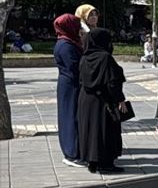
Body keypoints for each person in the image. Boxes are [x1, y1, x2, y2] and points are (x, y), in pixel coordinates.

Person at [77, 28, 128, 173]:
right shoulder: (105, 58)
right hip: (103, 100)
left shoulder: (84, 57)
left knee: (90, 130)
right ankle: (106, 163)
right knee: (105, 130)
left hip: (86, 100)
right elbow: (111, 82)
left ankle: (92, 162)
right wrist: (120, 100)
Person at [53, 14, 87, 167]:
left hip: (69, 84)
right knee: (71, 116)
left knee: (73, 115)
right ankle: (71, 152)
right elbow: (75, 67)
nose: (79, 27)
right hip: (71, 85)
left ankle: (75, 150)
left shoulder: (69, 41)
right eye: (76, 24)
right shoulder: (66, 45)